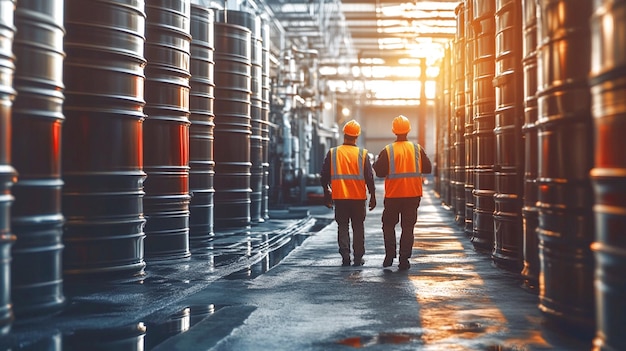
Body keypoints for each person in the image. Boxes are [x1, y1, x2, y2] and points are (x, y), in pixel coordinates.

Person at [373, 115, 432, 270]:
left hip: (393, 196)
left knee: (388, 225)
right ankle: (404, 259)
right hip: (412, 195)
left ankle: (389, 256)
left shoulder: (388, 151)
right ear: (408, 130)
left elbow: (379, 172)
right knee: (408, 228)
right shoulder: (417, 149)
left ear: (394, 131)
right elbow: (428, 168)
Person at [320, 119, 376, 266]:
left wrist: (327, 193)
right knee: (358, 226)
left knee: (343, 226)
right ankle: (358, 257)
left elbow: (324, 176)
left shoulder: (333, 153)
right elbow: (369, 177)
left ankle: (345, 255)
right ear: (357, 136)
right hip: (358, 198)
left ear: (344, 134)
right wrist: (373, 196)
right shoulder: (363, 154)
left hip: (340, 198)